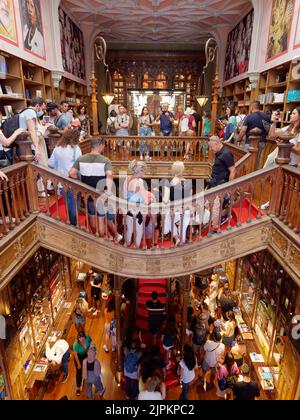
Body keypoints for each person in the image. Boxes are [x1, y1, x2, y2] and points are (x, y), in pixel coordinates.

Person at [70, 136, 121, 242]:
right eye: (104, 146)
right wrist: (108, 191)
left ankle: (97, 238)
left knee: (92, 217)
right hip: (100, 195)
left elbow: (72, 173)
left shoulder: (81, 159)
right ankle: (102, 240)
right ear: (101, 145)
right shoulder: (105, 160)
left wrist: (81, 185)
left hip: (87, 194)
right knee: (101, 218)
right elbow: (109, 176)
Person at [48, 128, 82, 225]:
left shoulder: (57, 148)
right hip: (73, 181)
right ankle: (74, 224)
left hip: (61, 182)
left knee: (68, 203)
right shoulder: (76, 148)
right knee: (75, 204)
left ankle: (71, 223)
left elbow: (50, 164)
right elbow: (79, 164)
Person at [124, 160, 154, 248]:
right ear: (140, 171)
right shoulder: (139, 183)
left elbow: (126, 195)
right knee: (139, 232)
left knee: (129, 230)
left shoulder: (127, 179)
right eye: (144, 170)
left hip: (129, 209)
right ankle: (135, 249)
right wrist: (151, 199)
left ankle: (127, 247)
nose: (144, 173)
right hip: (138, 211)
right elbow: (145, 201)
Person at [162, 161, 192, 246]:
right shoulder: (188, 182)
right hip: (185, 210)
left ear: (173, 170)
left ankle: (176, 238)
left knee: (169, 224)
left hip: (174, 211)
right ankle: (180, 242)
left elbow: (165, 200)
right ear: (183, 170)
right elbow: (190, 199)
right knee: (183, 231)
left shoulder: (169, 183)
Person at [18, 97, 47, 162]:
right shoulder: (31, 112)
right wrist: (36, 147)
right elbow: (32, 130)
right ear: (37, 105)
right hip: (29, 144)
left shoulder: (25, 111)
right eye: (41, 108)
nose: (42, 111)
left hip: (26, 143)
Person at [73, 331, 92, 397]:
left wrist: (90, 352)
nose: (81, 340)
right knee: (79, 372)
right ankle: (78, 387)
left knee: (86, 369)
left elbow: (91, 343)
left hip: (85, 355)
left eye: (82, 338)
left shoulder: (88, 338)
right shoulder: (76, 344)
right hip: (78, 357)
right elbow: (75, 355)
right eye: (79, 338)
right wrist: (78, 364)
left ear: (85, 337)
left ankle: (85, 380)